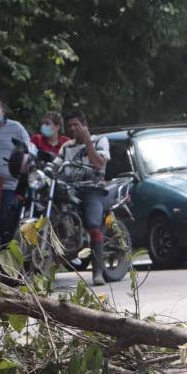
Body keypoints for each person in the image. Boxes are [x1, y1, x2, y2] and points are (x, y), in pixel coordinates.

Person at [57, 110, 111, 286]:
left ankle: (97, 271)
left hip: (93, 189)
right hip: (70, 190)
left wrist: (88, 141)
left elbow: (99, 163)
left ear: (84, 125)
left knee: (93, 225)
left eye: (76, 125)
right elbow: (55, 166)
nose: (73, 129)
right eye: (70, 126)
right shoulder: (66, 147)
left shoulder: (99, 140)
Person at [0, 96, 30, 256]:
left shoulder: (16, 128)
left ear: (3, 111)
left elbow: (30, 151)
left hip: (10, 186)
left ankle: (8, 266)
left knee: (7, 225)